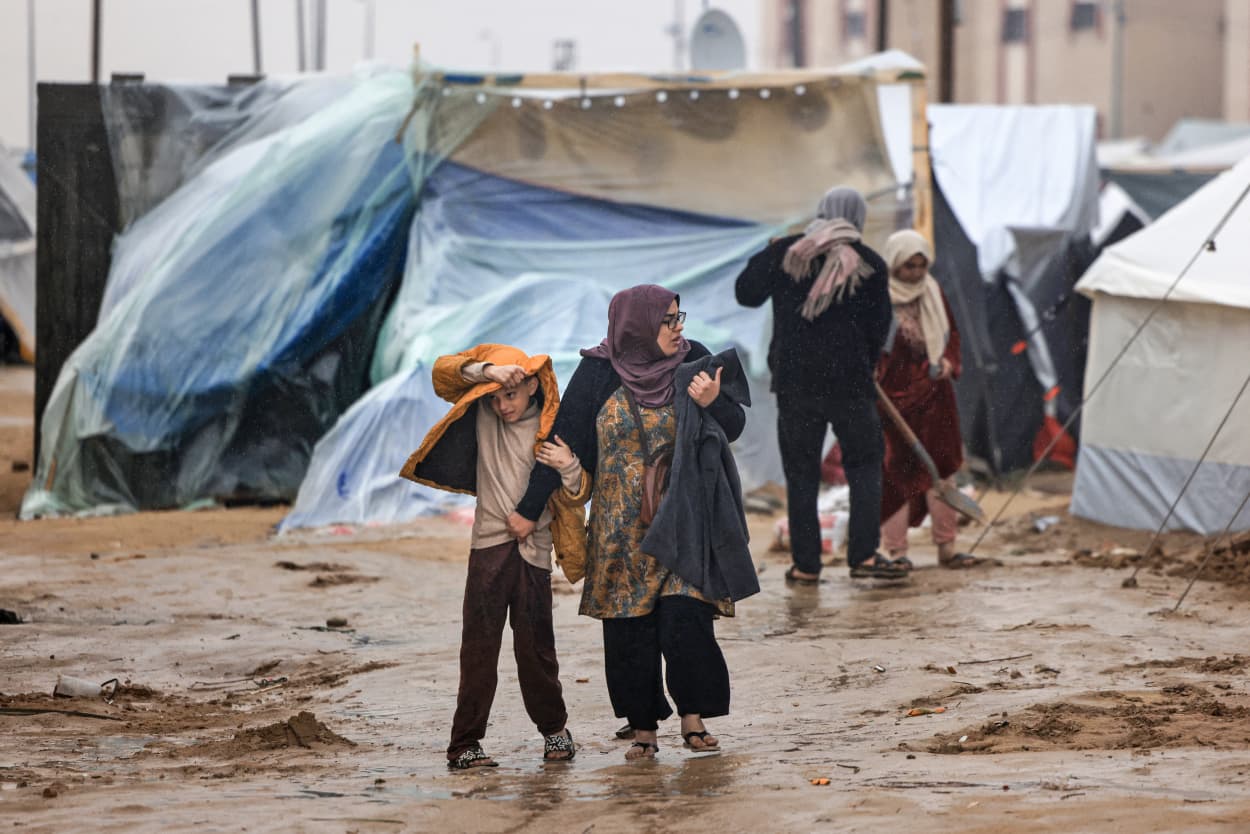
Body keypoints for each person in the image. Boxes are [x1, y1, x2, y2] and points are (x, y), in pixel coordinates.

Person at [509, 285, 747, 761]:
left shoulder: (694, 360)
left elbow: (732, 426)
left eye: (680, 318)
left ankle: (693, 718)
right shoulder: (598, 372)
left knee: (686, 621)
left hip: (684, 519)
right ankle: (643, 730)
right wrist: (528, 509)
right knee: (628, 632)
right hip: (619, 530)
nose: (679, 329)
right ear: (637, 325)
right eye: (669, 320)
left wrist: (713, 401)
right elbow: (563, 441)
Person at [399, 344, 588, 770]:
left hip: (535, 552)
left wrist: (570, 465)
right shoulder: (484, 414)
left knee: (536, 649)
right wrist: (490, 372)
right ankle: (464, 744)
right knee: (479, 648)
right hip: (487, 546)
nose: (502, 405)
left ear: (534, 387)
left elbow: (578, 492)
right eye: (496, 397)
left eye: (512, 395)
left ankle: (555, 732)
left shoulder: (554, 427)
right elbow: (444, 374)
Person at [735, 186, 902, 582]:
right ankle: (863, 557)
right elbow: (880, 329)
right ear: (856, 216)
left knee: (802, 472)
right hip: (851, 385)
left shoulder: (788, 253)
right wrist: (862, 360)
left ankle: (806, 566)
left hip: (796, 384)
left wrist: (769, 251)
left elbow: (746, 294)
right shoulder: (870, 264)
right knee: (863, 466)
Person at [876, 230, 983, 569]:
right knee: (896, 475)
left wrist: (949, 362)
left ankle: (947, 548)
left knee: (943, 472)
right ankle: (896, 552)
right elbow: (873, 349)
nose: (916, 274)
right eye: (909, 266)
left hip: (937, 399)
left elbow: (951, 335)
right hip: (894, 403)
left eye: (922, 266)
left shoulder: (933, 292)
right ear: (895, 264)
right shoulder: (878, 299)